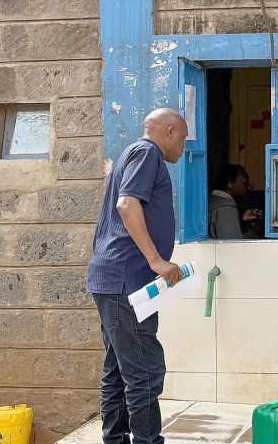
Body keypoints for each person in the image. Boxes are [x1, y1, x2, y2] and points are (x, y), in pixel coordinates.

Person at [86, 108, 187, 444]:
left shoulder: (131, 153)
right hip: (125, 280)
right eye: (183, 138)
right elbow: (127, 204)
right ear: (170, 131)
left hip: (116, 279)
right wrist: (156, 260)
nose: (184, 147)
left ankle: (115, 439)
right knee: (144, 370)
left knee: (118, 369)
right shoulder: (147, 153)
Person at [208, 164, 261, 239]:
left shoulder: (209, 200)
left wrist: (241, 220)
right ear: (230, 185)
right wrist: (252, 233)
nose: (248, 187)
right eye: (244, 183)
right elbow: (232, 243)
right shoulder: (227, 208)